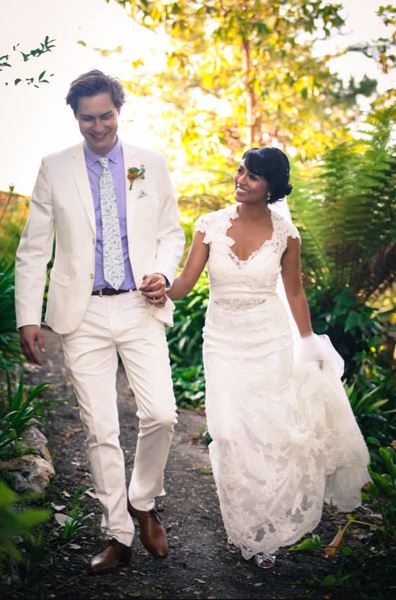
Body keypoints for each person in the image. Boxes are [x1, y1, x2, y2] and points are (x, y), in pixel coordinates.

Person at [167, 147, 370, 569]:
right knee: (227, 432)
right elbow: (185, 282)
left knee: (267, 433)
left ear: (271, 186)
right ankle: (239, 525)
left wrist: (309, 340)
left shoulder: (286, 235)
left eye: (253, 176)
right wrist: (160, 288)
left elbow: (294, 293)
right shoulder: (209, 226)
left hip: (270, 340)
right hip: (222, 340)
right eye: (241, 171)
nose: (241, 180)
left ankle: (262, 532)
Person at [15, 70, 185, 574]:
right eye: (87, 118)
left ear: (119, 109)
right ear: (75, 117)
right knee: (100, 429)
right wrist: (29, 316)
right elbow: (33, 250)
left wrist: (163, 273)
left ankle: (143, 500)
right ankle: (119, 533)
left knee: (163, 415)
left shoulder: (149, 164)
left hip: (139, 305)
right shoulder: (53, 168)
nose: (97, 126)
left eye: (105, 115)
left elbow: (172, 233)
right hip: (81, 313)